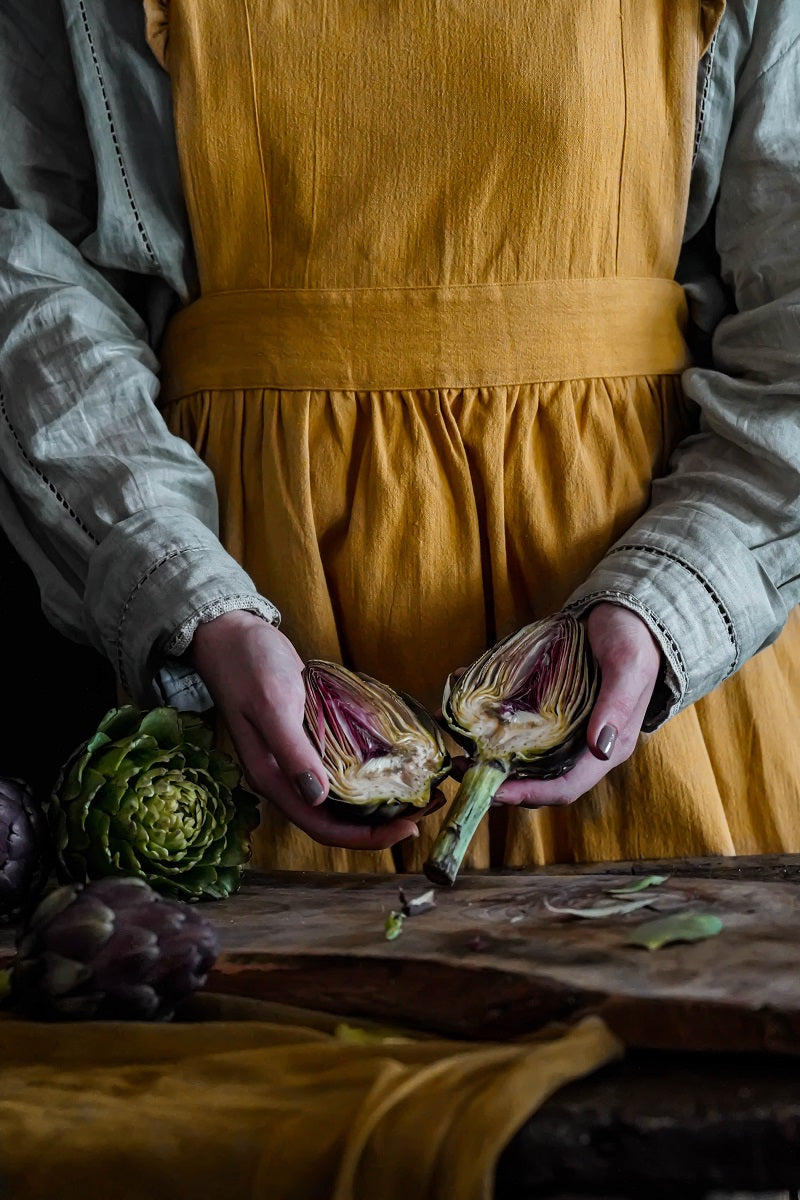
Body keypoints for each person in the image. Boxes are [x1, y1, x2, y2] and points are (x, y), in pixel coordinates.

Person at [1, 0, 799, 878]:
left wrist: (677, 601)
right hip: (259, 662)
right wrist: (184, 594)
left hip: (653, 659)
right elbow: (31, 271)